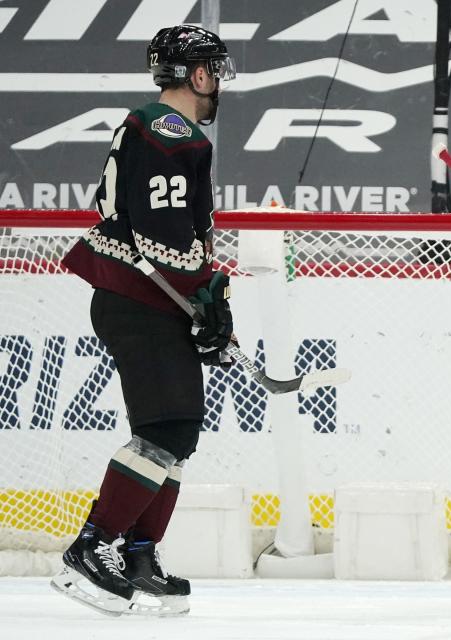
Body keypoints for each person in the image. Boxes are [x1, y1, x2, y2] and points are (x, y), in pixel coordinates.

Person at [50, 25, 237, 617]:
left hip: (147, 301)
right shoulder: (167, 133)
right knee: (163, 432)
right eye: (215, 72)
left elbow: (175, 234)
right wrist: (205, 296)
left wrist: (209, 300)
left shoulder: (160, 131)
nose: (218, 85)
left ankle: (138, 553)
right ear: (198, 75)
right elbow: (163, 239)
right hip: (140, 300)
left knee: (178, 434)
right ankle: (92, 546)